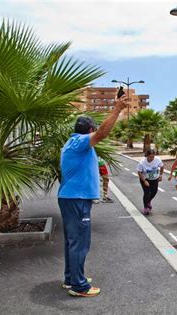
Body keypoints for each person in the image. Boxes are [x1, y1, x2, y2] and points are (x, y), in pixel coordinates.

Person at [58, 95, 128, 297]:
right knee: (80, 241)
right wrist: (116, 109)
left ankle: (71, 278)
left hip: (71, 198)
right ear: (89, 130)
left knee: (72, 241)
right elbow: (103, 132)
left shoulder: (71, 143)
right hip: (76, 199)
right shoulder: (80, 142)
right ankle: (79, 286)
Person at [137, 148, 164, 215]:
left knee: (154, 191)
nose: (152, 158)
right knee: (147, 193)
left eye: (153, 157)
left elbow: (162, 167)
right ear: (147, 156)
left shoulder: (157, 160)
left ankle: (148, 202)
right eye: (150, 157)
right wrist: (144, 181)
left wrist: (160, 175)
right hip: (145, 178)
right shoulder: (142, 162)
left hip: (154, 179)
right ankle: (146, 207)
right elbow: (139, 172)